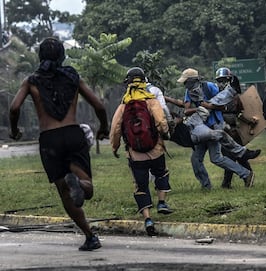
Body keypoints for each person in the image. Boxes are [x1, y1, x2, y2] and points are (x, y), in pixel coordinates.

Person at [9, 37, 109, 251]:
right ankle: (80, 184)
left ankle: (90, 236)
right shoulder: (73, 77)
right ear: (62, 55)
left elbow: (14, 108)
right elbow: (99, 105)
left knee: (65, 193)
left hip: (49, 140)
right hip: (73, 135)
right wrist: (103, 128)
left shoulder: (32, 80)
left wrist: (15, 130)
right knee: (87, 189)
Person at [110, 67, 172, 236]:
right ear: (144, 81)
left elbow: (115, 129)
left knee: (140, 186)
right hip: (155, 150)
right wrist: (165, 133)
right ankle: (161, 203)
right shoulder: (151, 101)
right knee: (161, 174)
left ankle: (148, 219)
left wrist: (115, 147)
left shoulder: (123, 106)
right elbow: (161, 121)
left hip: (135, 154)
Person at [177, 68, 255, 190]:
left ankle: (246, 173)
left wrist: (208, 106)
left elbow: (223, 105)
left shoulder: (209, 87)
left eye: (186, 81)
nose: (185, 84)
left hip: (214, 125)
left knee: (216, 158)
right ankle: (207, 186)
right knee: (197, 160)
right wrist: (198, 109)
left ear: (192, 80)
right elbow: (186, 110)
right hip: (200, 127)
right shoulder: (189, 91)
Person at [208, 67, 257, 189]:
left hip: (234, 130)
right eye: (220, 80)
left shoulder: (235, 97)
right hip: (221, 129)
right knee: (229, 156)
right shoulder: (214, 96)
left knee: (240, 155)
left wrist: (249, 121)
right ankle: (229, 182)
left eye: (225, 80)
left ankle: (244, 177)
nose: (222, 83)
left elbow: (239, 113)